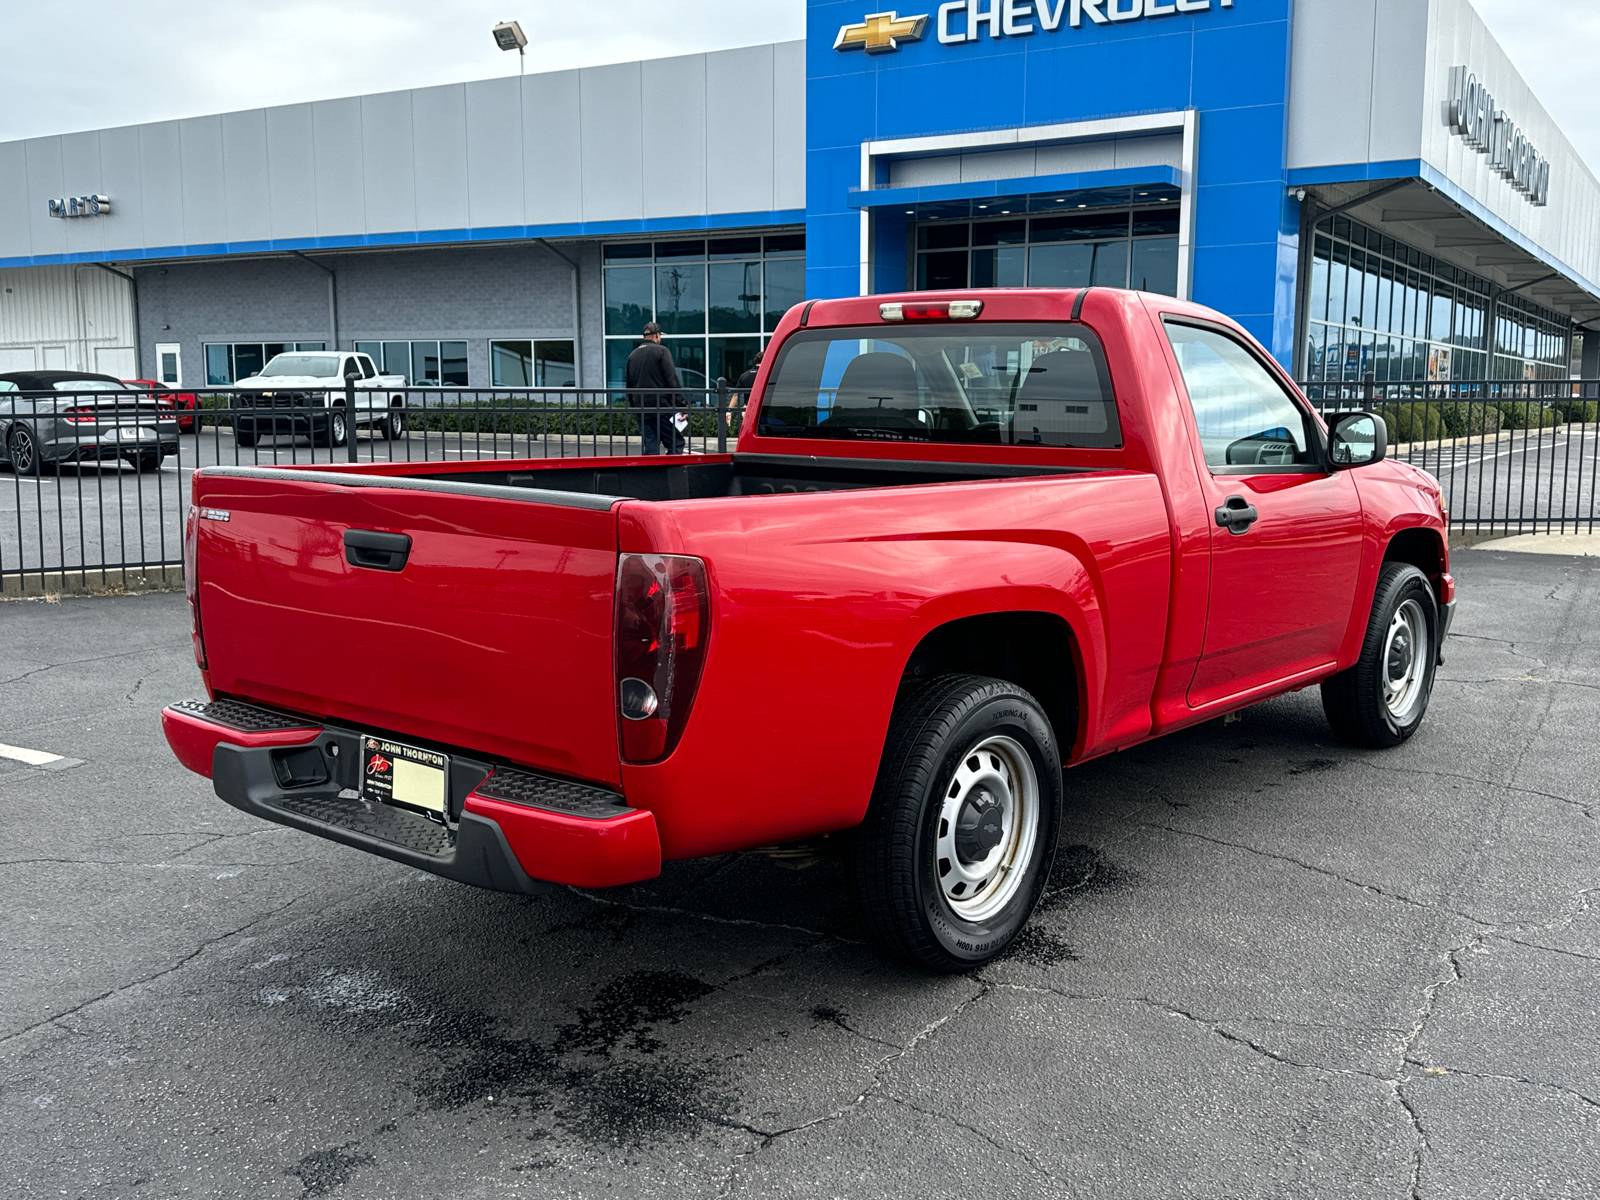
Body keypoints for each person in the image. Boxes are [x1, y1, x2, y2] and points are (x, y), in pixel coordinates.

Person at [625, 322, 685, 454]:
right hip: (661, 408)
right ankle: (670, 472)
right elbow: (672, 380)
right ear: (657, 335)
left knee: (650, 446)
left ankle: (651, 474)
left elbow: (629, 385)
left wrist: (635, 407)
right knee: (676, 442)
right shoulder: (662, 351)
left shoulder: (632, 355)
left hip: (641, 410)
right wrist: (681, 405)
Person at [731, 349, 763, 434]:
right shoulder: (765, 375)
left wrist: (729, 411)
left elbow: (736, 395)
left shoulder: (744, 375)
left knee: (748, 433)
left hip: (747, 409)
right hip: (762, 408)